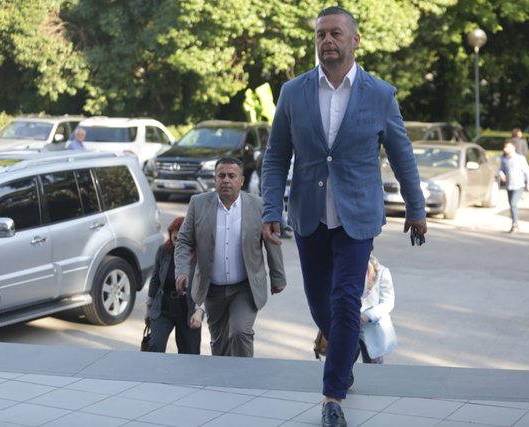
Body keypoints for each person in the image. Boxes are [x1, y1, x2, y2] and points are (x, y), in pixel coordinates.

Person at [260, 7, 427, 427]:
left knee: (346, 300)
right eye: (321, 34)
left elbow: (402, 154)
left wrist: (416, 207)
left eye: (335, 33)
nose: (327, 41)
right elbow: (276, 156)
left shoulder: (380, 94)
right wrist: (270, 208)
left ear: (355, 40)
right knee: (321, 304)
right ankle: (345, 350)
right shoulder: (293, 92)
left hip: (357, 217)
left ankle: (332, 395)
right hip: (309, 215)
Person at [175, 157, 286, 357]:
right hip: (212, 289)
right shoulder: (198, 204)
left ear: (241, 180)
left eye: (231, 176)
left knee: (240, 332)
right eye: (221, 176)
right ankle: (223, 376)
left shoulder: (258, 205)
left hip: (245, 287)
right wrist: (182, 270)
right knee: (220, 344)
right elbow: (184, 240)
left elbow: (271, 242)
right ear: (215, 179)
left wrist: (277, 277)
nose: (226, 180)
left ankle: (244, 375)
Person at [145, 216, 202, 354]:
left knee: (190, 353)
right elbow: (155, 280)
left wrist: (199, 311)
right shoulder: (164, 251)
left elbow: (203, 285)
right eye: (175, 238)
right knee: (155, 346)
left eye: (182, 239)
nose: (177, 243)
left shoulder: (198, 255)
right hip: (164, 307)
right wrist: (148, 308)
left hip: (187, 308)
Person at [359, 254, 396, 365]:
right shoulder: (347, 269)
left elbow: (388, 302)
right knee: (345, 366)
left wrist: (368, 315)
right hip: (350, 325)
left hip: (372, 329)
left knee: (372, 368)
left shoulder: (382, 272)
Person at [499, 140, 529, 233]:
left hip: (519, 185)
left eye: (507, 147)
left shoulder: (520, 159)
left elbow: (527, 172)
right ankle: (514, 223)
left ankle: (515, 224)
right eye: (504, 147)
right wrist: (501, 174)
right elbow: (501, 169)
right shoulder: (504, 159)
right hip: (509, 185)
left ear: (513, 148)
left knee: (513, 203)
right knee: (511, 205)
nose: (505, 149)